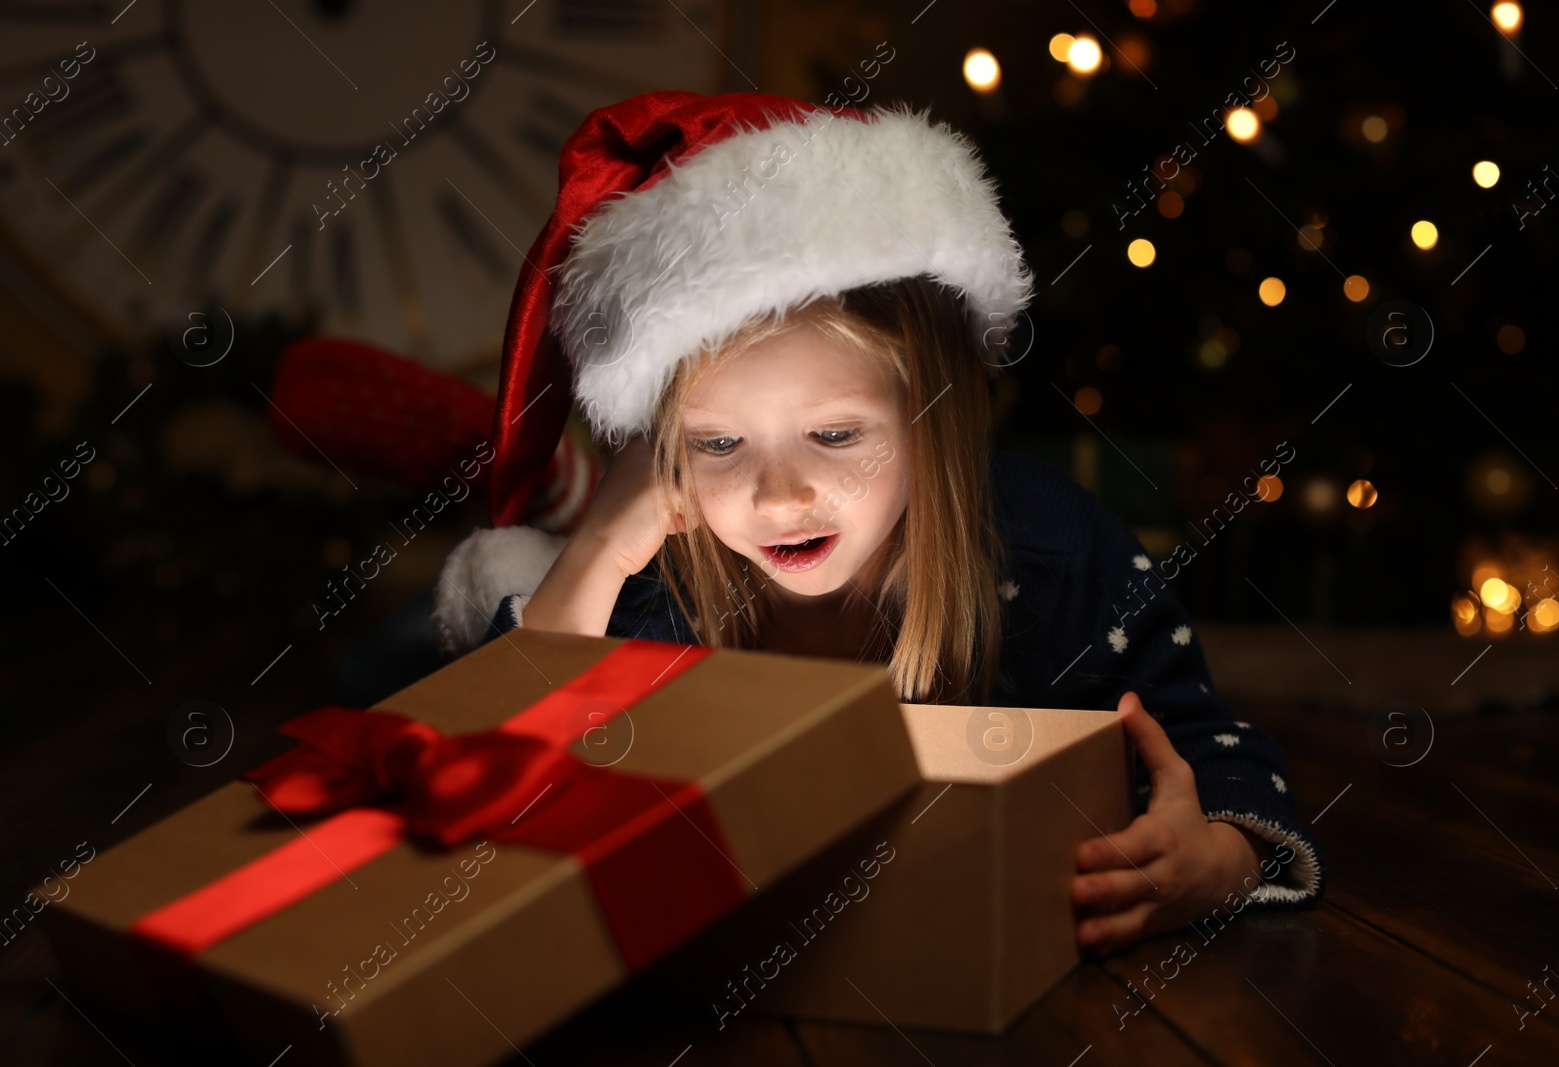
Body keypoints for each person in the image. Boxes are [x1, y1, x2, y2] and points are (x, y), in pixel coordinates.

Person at [429, 90, 1325, 957]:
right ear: (660, 451)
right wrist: (594, 549)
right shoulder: (660, 570)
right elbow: (498, 762)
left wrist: (1220, 856)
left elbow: (1207, 743)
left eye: (833, 434)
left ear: (938, 411)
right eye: (718, 441)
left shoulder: (1051, 547)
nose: (779, 497)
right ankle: (557, 498)